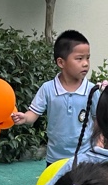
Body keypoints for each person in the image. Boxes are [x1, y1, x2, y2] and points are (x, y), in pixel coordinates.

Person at [11, 29, 96, 163]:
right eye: (79, 58)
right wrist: (25, 117)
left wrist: (100, 142)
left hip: (85, 157)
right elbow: (33, 113)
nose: (85, 63)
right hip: (55, 158)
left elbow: (99, 119)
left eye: (87, 58)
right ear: (61, 62)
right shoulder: (48, 88)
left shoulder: (92, 90)